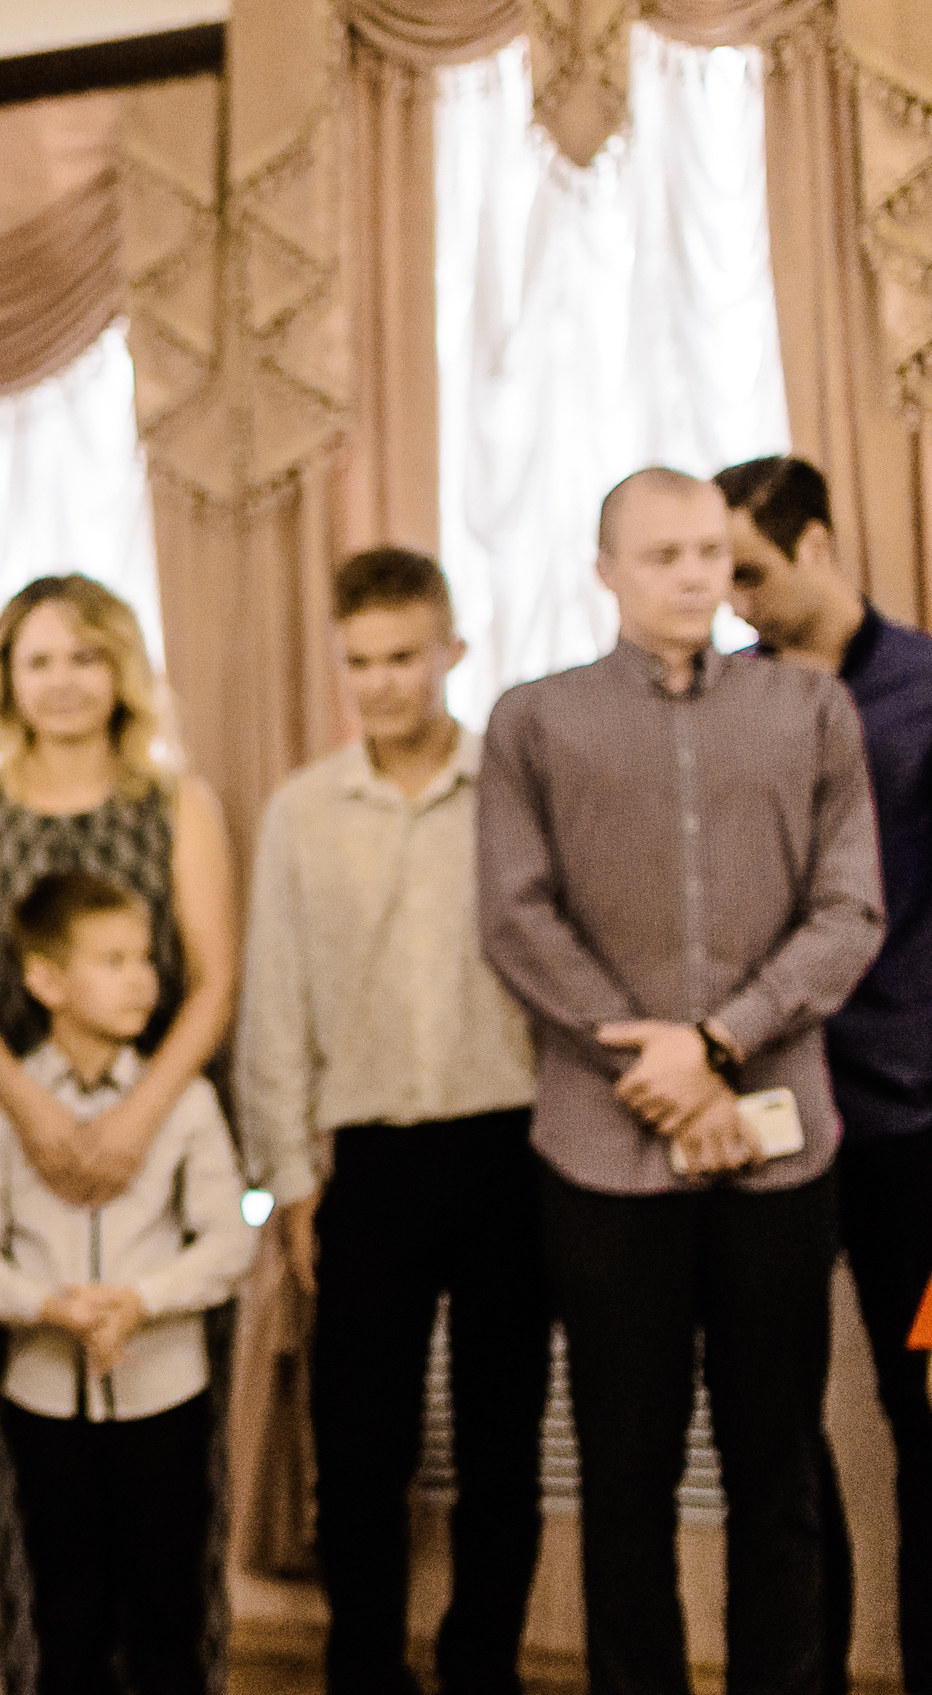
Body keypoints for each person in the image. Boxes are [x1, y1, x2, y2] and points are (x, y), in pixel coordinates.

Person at [478, 466, 885, 1695]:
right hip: (602, 1155)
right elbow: (514, 916)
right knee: (624, 1477)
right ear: (606, 571)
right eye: (662, 555)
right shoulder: (531, 721)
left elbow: (848, 906)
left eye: (710, 551)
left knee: (775, 1471)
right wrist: (649, 1055)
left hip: (779, 1154)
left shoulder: (812, 715)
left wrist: (712, 1046)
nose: (694, 574)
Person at [237, 548, 545, 1695]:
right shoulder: (301, 813)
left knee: (499, 1448)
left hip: (507, 1151)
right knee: (360, 1453)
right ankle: (363, 1670)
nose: (380, 682)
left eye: (403, 657)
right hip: (361, 1166)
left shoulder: (514, 786)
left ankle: (483, 1669)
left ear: (451, 651)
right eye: (358, 662)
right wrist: (288, 1184)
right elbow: (274, 1006)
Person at [0, 573, 238, 1695]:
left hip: (161, 1128)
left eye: (84, 657)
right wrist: (40, 1110)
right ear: (8, 677)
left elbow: (212, 978)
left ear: (121, 671)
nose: (63, 682)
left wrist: (135, 1117)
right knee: (36, 1491)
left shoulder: (174, 802)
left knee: (173, 1492)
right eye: (38, 659)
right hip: (14, 1134)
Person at [718, 453, 932, 1695]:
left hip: (915, 1135)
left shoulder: (924, 690)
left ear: (819, 543)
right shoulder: (722, 704)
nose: (732, 598)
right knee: (776, 1433)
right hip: (775, 1131)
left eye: (749, 570)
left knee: (925, 1419)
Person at [0, 871, 255, 1695]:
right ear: (45, 980)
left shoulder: (185, 1102)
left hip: (166, 1397)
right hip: (46, 1403)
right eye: (114, 959)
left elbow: (229, 1240)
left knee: (169, 1607)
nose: (144, 979)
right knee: (66, 1612)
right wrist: (51, 1306)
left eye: (147, 958)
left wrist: (139, 1300)